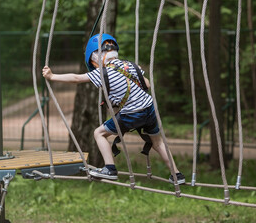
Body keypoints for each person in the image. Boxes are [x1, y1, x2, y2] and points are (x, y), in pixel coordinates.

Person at [42, 33, 185, 184]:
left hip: (132, 113)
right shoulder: (129, 65)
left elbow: (77, 78)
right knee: (158, 143)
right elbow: (147, 85)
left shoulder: (102, 73)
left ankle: (110, 169)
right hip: (149, 108)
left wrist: (52, 76)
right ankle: (177, 175)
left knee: (99, 133)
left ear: (96, 58)